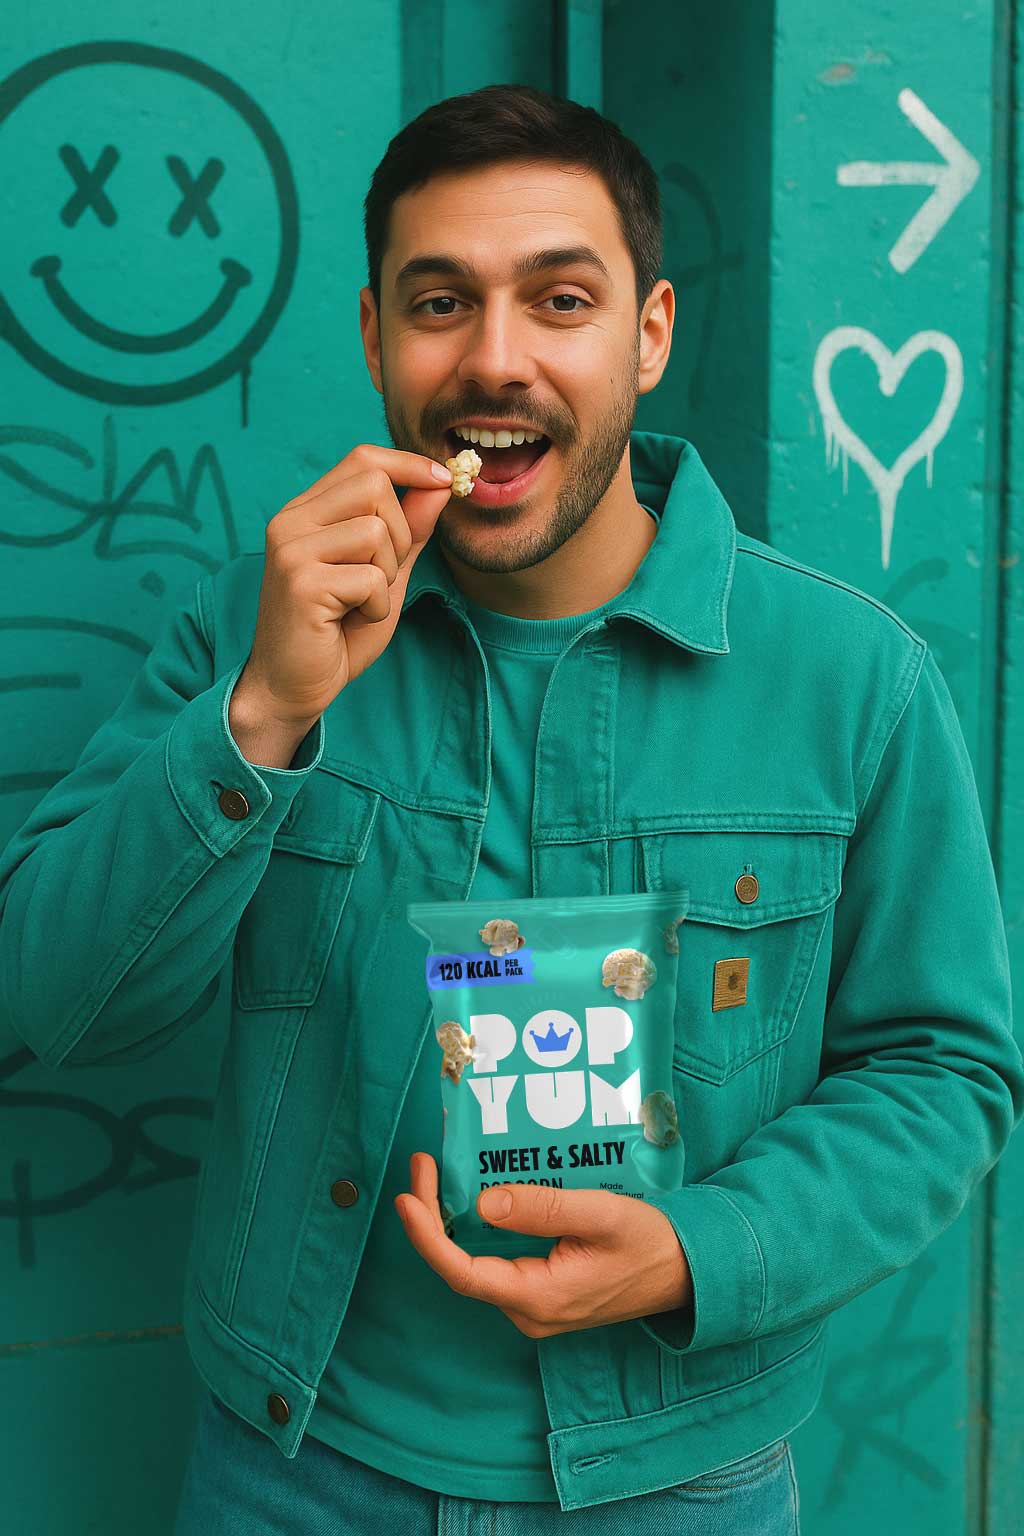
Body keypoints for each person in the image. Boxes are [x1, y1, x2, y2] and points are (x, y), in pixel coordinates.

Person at [2, 83, 1021, 1536]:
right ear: (372, 338)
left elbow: (943, 1071)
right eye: (439, 303)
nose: (496, 362)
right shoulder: (254, 627)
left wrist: (696, 1249)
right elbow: (59, 998)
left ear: (648, 334)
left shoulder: (856, 682)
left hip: (683, 1485)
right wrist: (263, 713)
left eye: (559, 299)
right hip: (291, 1473)